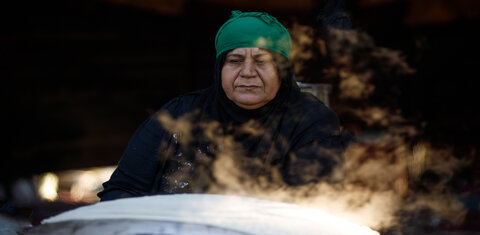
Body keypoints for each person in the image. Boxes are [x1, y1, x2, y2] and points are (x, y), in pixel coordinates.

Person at [98, 10, 348, 201]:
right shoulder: (180, 114)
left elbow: (314, 205)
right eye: (235, 60)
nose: (248, 72)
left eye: (262, 62)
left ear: (282, 71)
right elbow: (122, 190)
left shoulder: (311, 121)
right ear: (220, 68)